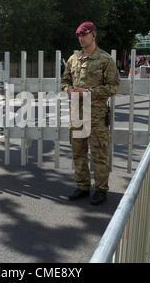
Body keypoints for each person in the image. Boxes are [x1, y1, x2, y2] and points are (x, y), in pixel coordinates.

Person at [61, 21, 120, 205]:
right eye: (79, 35)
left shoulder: (105, 59)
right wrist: (68, 90)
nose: (81, 38)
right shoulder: (73, 59)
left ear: (93, 35)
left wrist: (90, 93)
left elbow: (114, 86)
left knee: (99, 154)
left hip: (96, 115)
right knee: (78, 152)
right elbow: (65, 80)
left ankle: (101, 189)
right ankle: (83, 186)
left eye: (84, 34)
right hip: (77, 114)